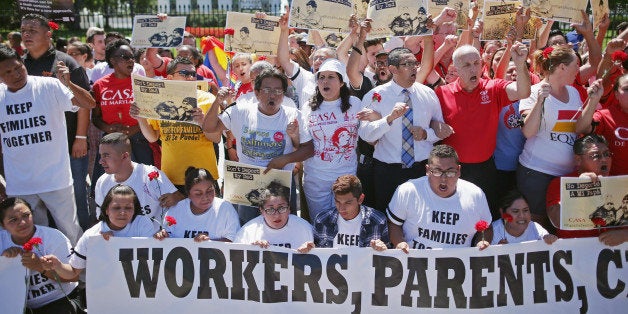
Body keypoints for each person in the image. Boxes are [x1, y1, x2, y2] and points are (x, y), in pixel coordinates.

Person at [0, 45, 95, 245]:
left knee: (70, 232)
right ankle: (43, 275)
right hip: (21, 184)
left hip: (56, 179)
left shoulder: (48, 85)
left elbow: (89, 103)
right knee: (31, 238)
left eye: (18, 68)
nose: (16, 74)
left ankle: (79, 273)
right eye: (7, 72)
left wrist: (69, 84)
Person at [203, 69, 314, 224]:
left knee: (285, 230)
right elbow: (209, 128)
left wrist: (284, 159)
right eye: (267, 90)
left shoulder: (293, 115)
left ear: (283, 93)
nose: (273, 95)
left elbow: (309, 149)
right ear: (256, 92)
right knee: (248, 231)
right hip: (248, 187)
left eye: (278, 90)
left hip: (280, 187)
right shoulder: (239, 111)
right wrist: (217, 101)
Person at [435, 43, 531, 216]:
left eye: (477, 63)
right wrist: (436, 125)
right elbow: (429, 122)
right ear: (456, 68)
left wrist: (519, 64)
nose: (474, 69)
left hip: (485, 169)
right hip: (452, 170)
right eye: (467, 65)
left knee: (483, 216)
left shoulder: (494, 88)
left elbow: (523, 92)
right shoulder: (442, 93)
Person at [20, 14, 94, 232]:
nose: (26, 34)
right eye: (24, 29)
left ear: (48, 34)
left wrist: (80, 138)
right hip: (37, 149)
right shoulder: (19, 66)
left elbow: (84, 103)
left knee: (76, 198)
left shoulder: (65, 62)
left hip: (70, 145)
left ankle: (81, 250)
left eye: (32, 30)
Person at [359, 47, 450, 212]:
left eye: (415, 63)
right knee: (388, 216)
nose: (414, 67)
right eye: (407, 64)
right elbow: (365, 134)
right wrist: (388, 119)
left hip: (421, 169)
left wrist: (425, 135)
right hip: (388, 171)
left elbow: (439, 130)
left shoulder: (428, 94)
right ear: (393, 69)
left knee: (420, 215)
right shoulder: (376, 96)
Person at [518, 45, 585, 231]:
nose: (578, 70)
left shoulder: (573, 92)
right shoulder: (532, 92)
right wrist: (539, 101)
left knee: (564, 225)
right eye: (576, 65)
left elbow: (580, 127)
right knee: (538, 227)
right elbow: (528, 132)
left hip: (566, 173)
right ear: (562, 67)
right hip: (537, 173)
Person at [131, 57, 221, 190]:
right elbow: (153, 137)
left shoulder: (208, 99)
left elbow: (216, 138)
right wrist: (140, 118)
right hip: (171, 176)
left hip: (203, 175)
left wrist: (202, 122)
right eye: (184, 74)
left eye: (192, 74)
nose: (190, 78)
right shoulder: (160, 102)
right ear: (170, 78)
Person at [40, 185, 158, 281]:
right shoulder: (91, 236)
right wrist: (58, 265)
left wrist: (114, 246)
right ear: (106, 210)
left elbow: (150, 260)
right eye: (116, 208)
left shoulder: (142, 223)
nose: (123, 212)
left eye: (128, 208)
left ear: (135, 210)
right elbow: (74, 272)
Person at [387, 145, 492, 251]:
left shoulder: (475, 195)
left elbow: (486, 228)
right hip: (416, 262)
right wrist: (399, 243)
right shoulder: (408, 191)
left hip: (457, 264)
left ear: (459, 170)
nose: (444, 179)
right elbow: (394, 224)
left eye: (450, 172)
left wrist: (481, 243)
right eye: (437, 171)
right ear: (428, 170)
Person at [301, 59, 364, 218]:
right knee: (321, 223)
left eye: (331, 77)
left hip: (346, 177)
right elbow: (302, 143)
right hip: (316, 179)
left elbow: (368, 132)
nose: (325, 81)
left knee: (346, 221)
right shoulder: (308, 107)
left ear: (342, 82)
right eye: (321, 77)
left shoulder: (355, 103)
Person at [0, 198, 84, 313]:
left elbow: (73, 277)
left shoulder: (53, 237)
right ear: (2, 225)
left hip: (60, 299)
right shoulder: (1, 242)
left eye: (26, 215)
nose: (22, 222)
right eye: (13, 220)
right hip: (19, 305)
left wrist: (40, 266)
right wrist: (4, 262)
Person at [91, 39, 155, 188]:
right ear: (113, 61)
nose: (131, 60)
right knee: (110, 187)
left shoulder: (142, 84)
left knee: (144, 186)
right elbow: (95, 117)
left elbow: (151, 116)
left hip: (138, 141)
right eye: (125, 57)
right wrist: (108, 129)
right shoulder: (99, 86)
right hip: (110, 143)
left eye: (132, 57)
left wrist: (133, 130)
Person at [93, 133, 183, 230]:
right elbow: (102, 218)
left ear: (125, 156)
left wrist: (176, 197)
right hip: (119, 242)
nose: (101, 161)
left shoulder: (151, 175)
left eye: (106, 156)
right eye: (101, 156)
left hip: (154, 240)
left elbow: (181, 202)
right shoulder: (102, 182)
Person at [546, 134, 628, 238]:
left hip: (615, 251)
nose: (604, 159)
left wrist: (625, 235)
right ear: (578, 160)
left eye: (607, 154)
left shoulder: (621, 184)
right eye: (596, 156)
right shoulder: (560, 183)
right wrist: (579, 187)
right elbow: (557, 221)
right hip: (576, 250)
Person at [154, 167, 239, 242]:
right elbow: (168, 238)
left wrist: (210, 243)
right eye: (198, 194)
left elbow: (234, 242)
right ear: (189, 195)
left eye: (209, 191)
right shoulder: (176, 209)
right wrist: (163, 236)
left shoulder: (225, 208)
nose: (205, 197)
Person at [311, 175, 389, 250]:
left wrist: (382, 249)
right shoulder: (322, 220)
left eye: (348, 203)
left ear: (360, 199)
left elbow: (388, 257)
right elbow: (315, 254)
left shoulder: (378, 221)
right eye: (337, 201)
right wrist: (309, 248)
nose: (341, 208)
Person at [234, 181, 313, 251]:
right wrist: (251, 250)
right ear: (261, 210)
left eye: (281, 208)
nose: (276, 215)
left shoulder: (304, 228)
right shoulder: (247, 232)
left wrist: (310, 251)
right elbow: (235, 260)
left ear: (289, 209)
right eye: (270, 210)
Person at [576, 74, 628, 175]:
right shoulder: (605, 116)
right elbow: (581, 128)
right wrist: (593, 100)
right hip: (613, 185)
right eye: (627, 89)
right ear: (616, 94)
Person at [488, 190, 558, 245]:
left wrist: (551, 239)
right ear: (502, 212)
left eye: (525, 210)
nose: (522, 216)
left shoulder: (535, 228)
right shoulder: (492, 232)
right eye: (515, 211)